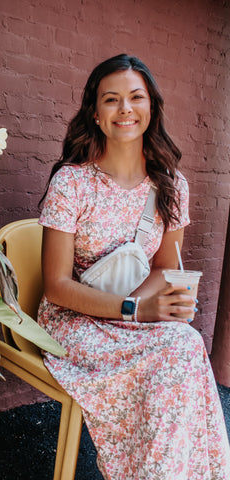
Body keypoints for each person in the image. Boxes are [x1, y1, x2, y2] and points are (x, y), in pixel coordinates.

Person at [37, 54, 230, 479]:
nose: (125, 109)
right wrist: (134, 312)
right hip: (74, 322)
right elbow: (56, 285)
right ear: (96, 114)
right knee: (179, 354)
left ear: (151, 108)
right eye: (111, 100)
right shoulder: (72, 183)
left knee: (183, 346)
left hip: (131, 315)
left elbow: (164, 266)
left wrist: (143, 308)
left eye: (135, 97)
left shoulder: (171, 185)